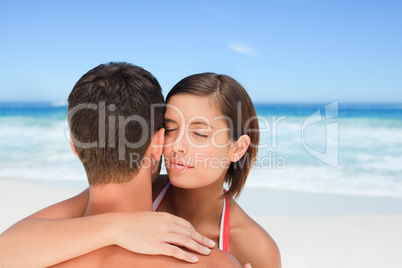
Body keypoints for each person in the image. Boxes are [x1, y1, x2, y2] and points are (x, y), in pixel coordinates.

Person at [0, 70, 279, 267]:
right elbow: (10, 246)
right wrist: (118, 227)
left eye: (200, 134)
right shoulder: (141, 186)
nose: (177, 146)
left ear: (238, 148)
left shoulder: (255, 247)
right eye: (170, 129)